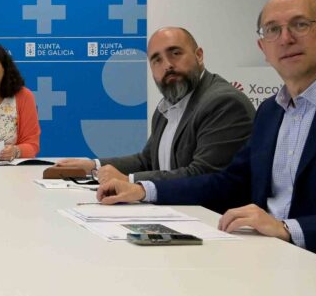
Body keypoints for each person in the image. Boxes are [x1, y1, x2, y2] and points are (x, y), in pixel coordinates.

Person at [97, 0, 316, 261]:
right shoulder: (271, 111)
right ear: (263, 48)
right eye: (272, 30)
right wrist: (144, 190)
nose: (286, 38)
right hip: (262, 255)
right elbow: (229, 181)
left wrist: (287, 229)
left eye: (300, 25)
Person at [58, 26, 254, 183]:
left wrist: (130, 181)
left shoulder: (223, 103)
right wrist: (93, 166)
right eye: (156, 60)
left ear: (199, 55)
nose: (167, 65)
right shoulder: (166, 107)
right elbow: (147, 161)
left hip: (213, 217)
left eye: (175, 53)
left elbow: (204, 175)